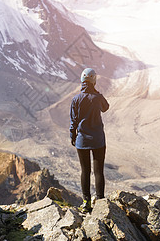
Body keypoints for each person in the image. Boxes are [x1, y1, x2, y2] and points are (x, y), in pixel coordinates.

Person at [70, 68, 109, 213]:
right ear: (94, 81)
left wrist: (73, 137)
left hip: (82, 141)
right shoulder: (98, 98)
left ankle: (86, 202)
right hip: (98, 140)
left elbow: (73, 121)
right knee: (99, 172)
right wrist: (97, 93)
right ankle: (100, 201)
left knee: (85, 171)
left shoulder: (76, 99)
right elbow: (106, 108)